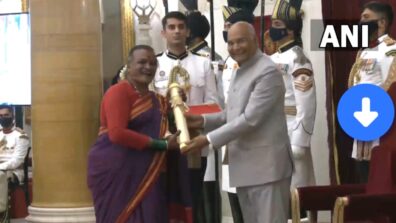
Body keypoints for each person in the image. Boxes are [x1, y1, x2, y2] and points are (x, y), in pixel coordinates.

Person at [184, 22, 294, 223]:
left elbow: (250, 119)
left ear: (255, 40)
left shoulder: (267, 71)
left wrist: (207, 140)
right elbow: (232, 114)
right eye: (231, 42)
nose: (235, 47)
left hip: (267, 168)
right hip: (245, 166)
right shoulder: (240, 69)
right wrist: (200, 120)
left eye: (241, 41)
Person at [87, 45, 192, 223]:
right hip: (118, 173)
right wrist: (162, 145)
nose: (148, 67)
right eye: (142, 62)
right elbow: (117, 134)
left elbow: (169, 125)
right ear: (129, 66)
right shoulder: (118, 92)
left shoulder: (156, 99)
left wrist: (178, 100)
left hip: (149, 173)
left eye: (153, 63)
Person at [153, 11, 218, 223]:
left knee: (193, 197)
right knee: (163, 200)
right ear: (163, 32)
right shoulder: (154, 65)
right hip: (163, 141)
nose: (177, 31)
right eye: (171, 27)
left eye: (181, 27)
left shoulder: (203, 64)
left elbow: (213, 105)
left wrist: (190, 119)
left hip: (193, 141)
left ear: (188, 31)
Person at [268, 0, 316, 201]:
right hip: (274, 131)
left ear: (290, 29)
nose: (272, 28)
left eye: (277, 24)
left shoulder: (298, 59)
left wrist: (300, 140)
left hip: (291, 129)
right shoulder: (273, 58)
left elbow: (306, 103)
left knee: (296, 192)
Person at [348, 1, 396, 183]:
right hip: (360, 125)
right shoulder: (364, 51)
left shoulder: (391, 50)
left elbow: (391, 87)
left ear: (382, 23)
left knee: (378, 182)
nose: (361, 22)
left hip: (381, 127)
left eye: (366, 18)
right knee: (362, 179)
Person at [217, 5, 256, 223]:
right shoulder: (228, 64)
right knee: (234, 198)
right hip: (231, 140)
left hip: (251, 140)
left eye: (232, 29)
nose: (230, 37)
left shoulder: (263, 65)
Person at [0, 104, 29, 218]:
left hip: (14, 170)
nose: (3, 117)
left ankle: (1, 212)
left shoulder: (21, 136)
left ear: (12, 115)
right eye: (0, 115)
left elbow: (17, 160)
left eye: (6, 115)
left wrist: (1, 166)